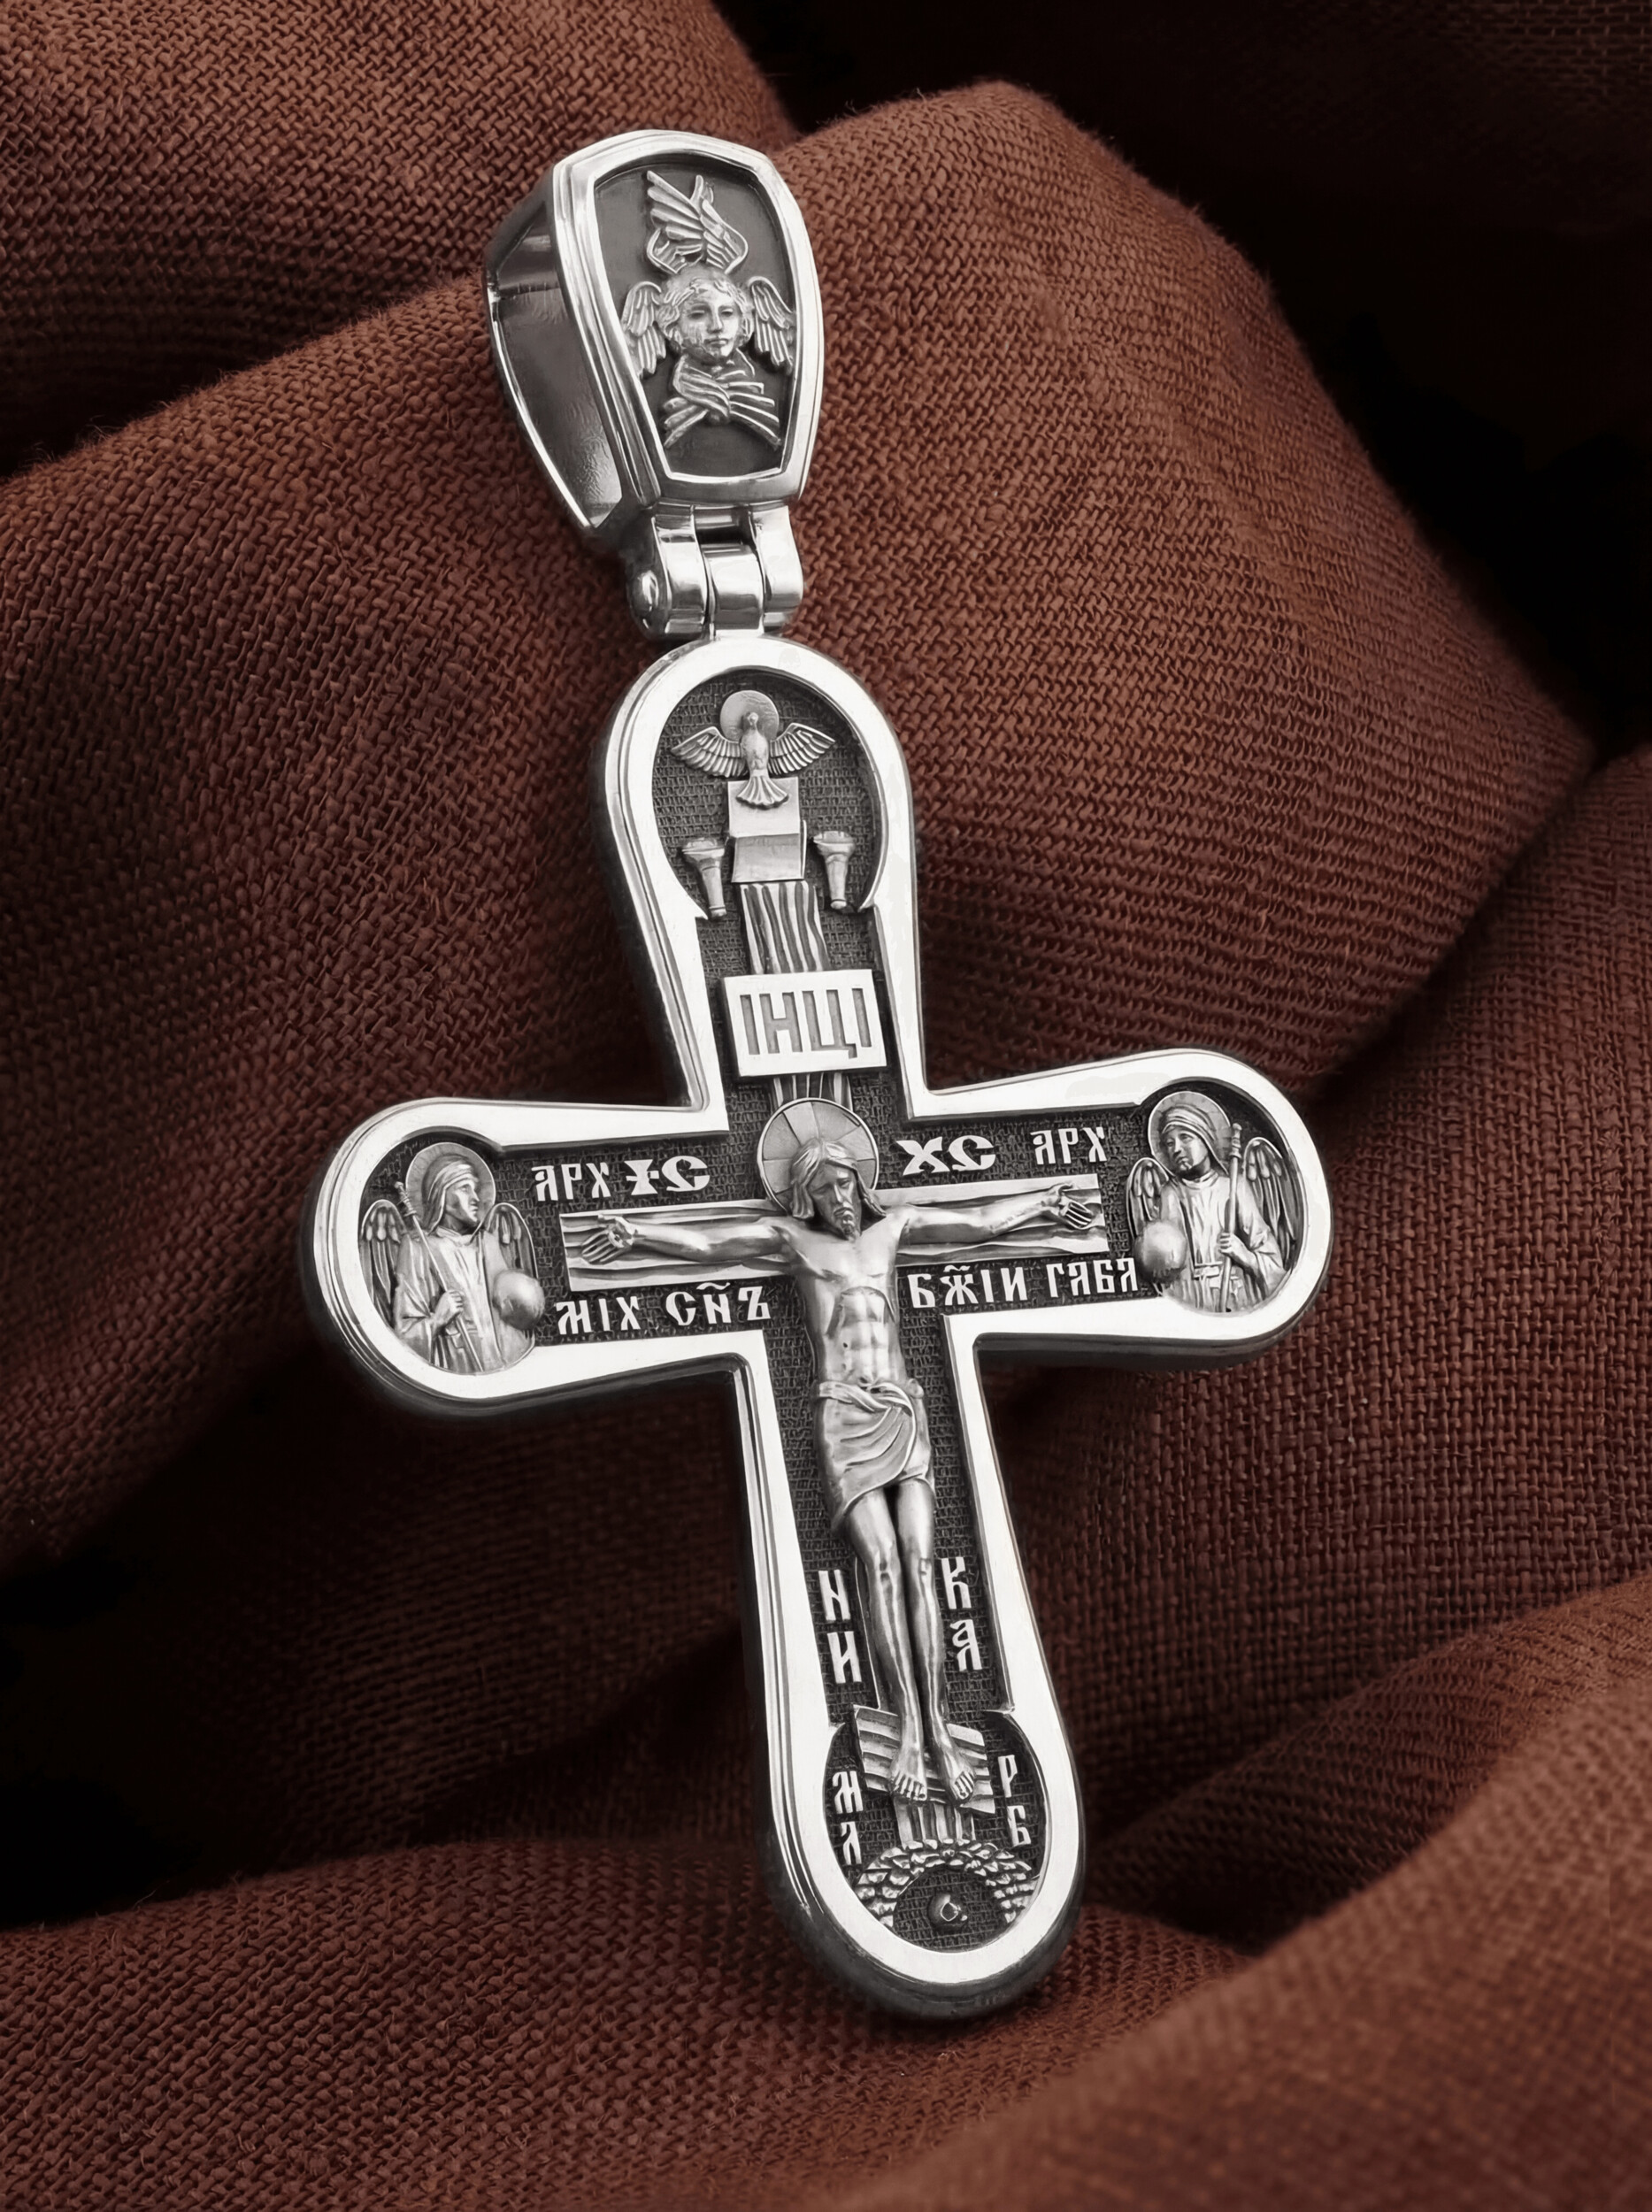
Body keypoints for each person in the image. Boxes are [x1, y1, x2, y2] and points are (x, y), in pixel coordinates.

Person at [581, 1122, 1093, 1806]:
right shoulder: (794, 1241)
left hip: (902, 1411)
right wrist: (637, 1234)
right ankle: (906, 1729)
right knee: (878, 1564)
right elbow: (709, 1243)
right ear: (805, 1199)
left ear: (861, 1183)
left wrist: (1044, 1203)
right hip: (846, 1416)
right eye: (824, 1190)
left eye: (845, 1184)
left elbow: (977, 1224)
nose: (839, 1199)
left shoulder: (894, 1229)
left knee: (920, 1564)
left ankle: (939, 1727)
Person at [391, 1156, 534, 1373]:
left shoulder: (487, 1243)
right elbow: (404, 1336)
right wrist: (437, 1319)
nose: (476, 1198)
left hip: (500, 1364)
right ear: (441, 1194)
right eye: (464, 1188)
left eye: (475, 1189)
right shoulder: (418, 1247)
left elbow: (509, 1320)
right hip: (452, 1363)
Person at [1144, 1095, 1285, 1310]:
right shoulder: (1171, 1193)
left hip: (1236, 1293)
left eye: (1185, 1137)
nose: (1176, 1149)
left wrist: (1243, 1254)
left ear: (1205, 1138)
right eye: (1169, 1143)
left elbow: (1270, 1257)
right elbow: (1168, 1262)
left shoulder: (1234, 1186)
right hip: (1193, 1296)